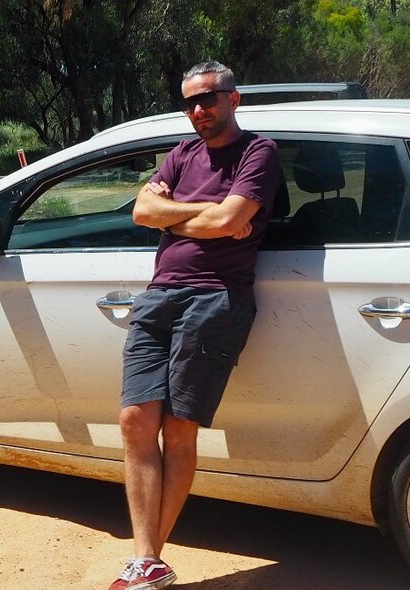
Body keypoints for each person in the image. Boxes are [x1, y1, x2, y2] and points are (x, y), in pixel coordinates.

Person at [109, 61, 281, 589]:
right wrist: (205, 211)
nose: (198, 111)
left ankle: (147, 560)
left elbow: (232, 222)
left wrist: (177, 212)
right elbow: (141, 211)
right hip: (159, 295)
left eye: (207, 98)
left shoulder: (258, 152)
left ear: (234, 99)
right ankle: (147, 558)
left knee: (178, 429)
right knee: (136, 421)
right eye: (189, 103)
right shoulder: (181, 154)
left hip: (215, 299)